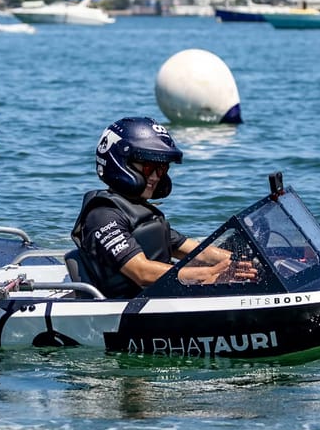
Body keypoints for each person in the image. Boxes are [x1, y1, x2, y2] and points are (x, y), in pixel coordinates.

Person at [71, 116, 256, 298]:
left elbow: (201, 252)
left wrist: (247, 263)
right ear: (121, 164)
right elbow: (141, 271)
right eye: (148, 167)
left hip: (157, 299)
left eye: (162, 168)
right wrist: (209, 274)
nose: (156, 176)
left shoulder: (141, 213)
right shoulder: (103, 214)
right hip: (130, 311)